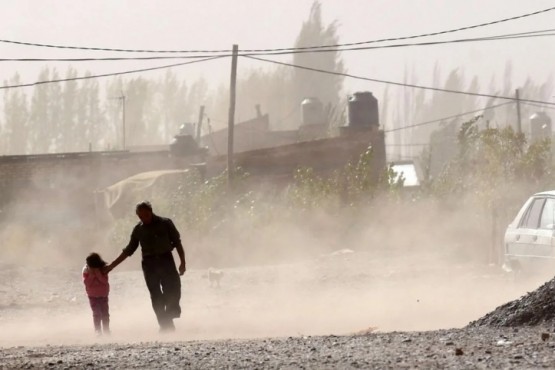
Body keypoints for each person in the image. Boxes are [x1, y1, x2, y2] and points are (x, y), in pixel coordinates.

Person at [105, 201, 186, 332]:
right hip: (149, 265)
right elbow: (129, 250)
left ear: (151, 211)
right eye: (141, 217)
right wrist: (112, 266)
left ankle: (169, 315)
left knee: (174, 289)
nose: (144, 218)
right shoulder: (138, 229)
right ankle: (164, 325)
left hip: (166, 261)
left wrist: (183, 262)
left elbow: (177, 242)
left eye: (146, 215)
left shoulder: (166, 223)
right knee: (156, 295)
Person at [83, 252, 110, 336]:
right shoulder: (86, 271)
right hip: (92, 296)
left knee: (105, 313)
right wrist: (91, 275)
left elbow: (104, 281)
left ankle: (106, 329)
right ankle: (97, 330)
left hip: (103, 295)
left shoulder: (103, 270)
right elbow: (87, 283)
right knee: (96, 313)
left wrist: (98, 274)